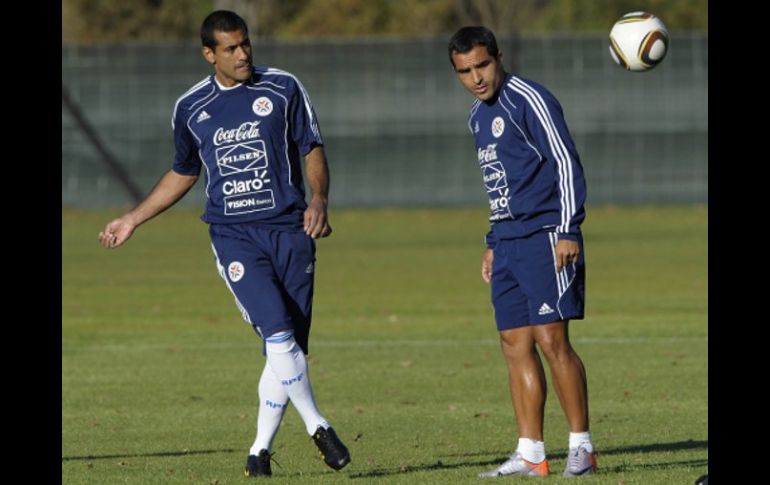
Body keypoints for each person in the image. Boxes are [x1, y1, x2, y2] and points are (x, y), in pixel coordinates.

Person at [98, 10, 350, 478]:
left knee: (287, 347)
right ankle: (318, 425)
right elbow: (183, 171)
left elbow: (310, 146)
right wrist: (133, 218)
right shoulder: (191, 107)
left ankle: (258, 453)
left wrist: (319, 199)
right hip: (234, 236)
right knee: (277, 333)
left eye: (246, 44)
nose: (242, 54)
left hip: (292, 231)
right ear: (209, 54)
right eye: (230, 48)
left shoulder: (284, 88)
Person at [448, 26, 597, 478]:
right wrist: (493, 243)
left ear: (499, 56)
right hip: (508, 243)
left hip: (547, 235)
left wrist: (569, 228)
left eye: (482, 65)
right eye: (465, 71)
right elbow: (498, 184)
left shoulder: (530, 99)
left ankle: (581, 448)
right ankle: (531, 452)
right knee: (514, 344)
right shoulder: (477, 116)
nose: (476, 77)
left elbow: (565, 162)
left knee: (553, 342)